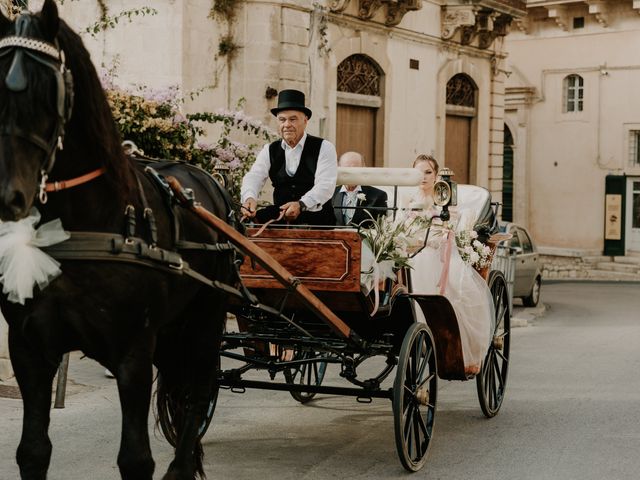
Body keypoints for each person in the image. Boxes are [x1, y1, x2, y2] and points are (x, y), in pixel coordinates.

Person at [403, 154, 493, 376]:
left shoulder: (443, 198)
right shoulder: (408, 200)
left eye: (428, 172)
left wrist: (436, 238)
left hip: (438, 250)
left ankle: (451, 338)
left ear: (435, 176)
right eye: (418, 172)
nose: (423, 177)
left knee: (430, 262)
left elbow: (450, 228)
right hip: (411, 248)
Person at [240, 89, 337, 226]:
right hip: (281, 219)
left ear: (305, 120)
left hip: (317, 220)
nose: (286, 125)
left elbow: (325, 185)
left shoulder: (324, 147)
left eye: (293, 119)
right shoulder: (269, 149)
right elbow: (254, 176)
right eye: (282, 120)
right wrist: (249, 197)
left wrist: (301, 204)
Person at [332, 151, 388, 227]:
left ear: (363, 168)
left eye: (355, 168)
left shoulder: (378, 196)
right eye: (346, 169)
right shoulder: (330, 194)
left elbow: (379, 227)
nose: (351, 173)